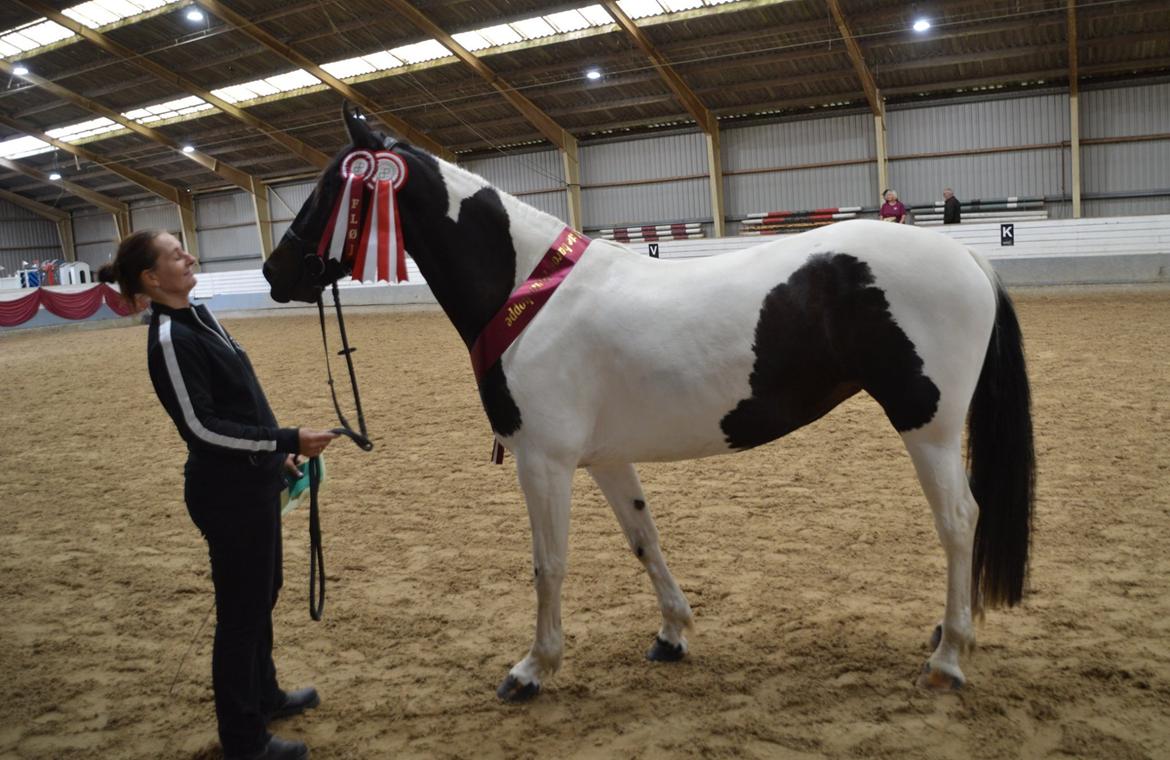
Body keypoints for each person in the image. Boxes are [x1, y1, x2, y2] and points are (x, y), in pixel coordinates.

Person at [99, 230, 338, 760]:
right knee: (239, 617)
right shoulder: (168, 339)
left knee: (263, 594)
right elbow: (202, 428)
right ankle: (243, 739)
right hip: (226, 493)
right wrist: (285, 439)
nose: (189, 257)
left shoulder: (200, 316)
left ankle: (264, 695)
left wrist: (280, 457)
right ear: (150, 278)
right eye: (174, 254)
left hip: (256, 479)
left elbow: (247, 399)